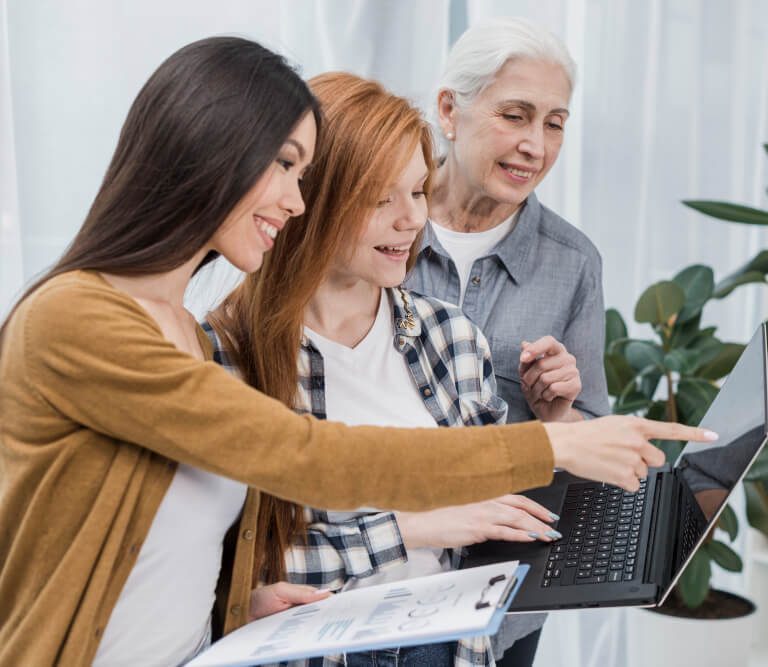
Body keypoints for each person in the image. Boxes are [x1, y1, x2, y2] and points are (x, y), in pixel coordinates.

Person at [0, 36, 713, 667]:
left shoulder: (185, 332)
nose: (296, 199)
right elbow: (305, 455)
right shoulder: (98, 323)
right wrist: (548, 447)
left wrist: (238, 608)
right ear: (210, 151)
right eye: (284, 165)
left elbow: (192, 551)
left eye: (416, 192)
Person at [203, 73, 709, 667]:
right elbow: (234, 579)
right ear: (310, 198)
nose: (410, 219)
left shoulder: (451, 338)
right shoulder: (226, 354)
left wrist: (561, 434)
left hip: (451, 646)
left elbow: (491, 515)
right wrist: (414, 527)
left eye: (418, 192)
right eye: (380, 198)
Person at [405, 17, 610, 665]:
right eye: (515, 115)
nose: (535, 145)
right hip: (376, 573)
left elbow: (590, 450)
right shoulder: (377, 227)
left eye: (554, 123)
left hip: (502, 600)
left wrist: (559, 414)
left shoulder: (573, 262)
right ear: (449, 110)